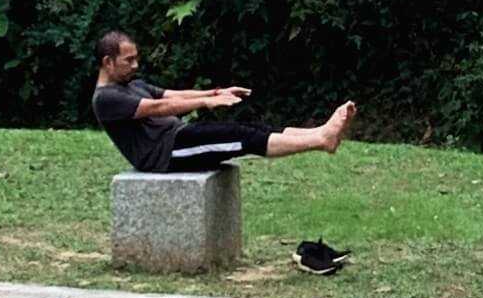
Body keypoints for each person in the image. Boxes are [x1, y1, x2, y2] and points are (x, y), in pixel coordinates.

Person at [90, 29, 357, 276]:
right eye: (128, 60)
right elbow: (157, 108)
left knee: (250, 128)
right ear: (108, 62)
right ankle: (322, 140)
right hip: (166, 154)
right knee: (242, 137)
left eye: (136, 58)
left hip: (179, 139)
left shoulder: (131, 83)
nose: (135, 65)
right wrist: (206, 102)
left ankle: (322, 134)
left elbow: (172, 95)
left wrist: (216, 91)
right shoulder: (106, 98)